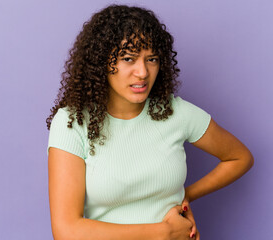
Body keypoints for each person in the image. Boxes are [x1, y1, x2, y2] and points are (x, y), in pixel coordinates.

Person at [46, 4, 254, 240]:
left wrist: (185, 197)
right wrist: (163, 232)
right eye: (128, 58)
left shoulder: (176, 112)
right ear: (101, 62)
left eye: (151, 59)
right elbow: (66, 231)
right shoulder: (72, 122)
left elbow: (240, 157)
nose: (143, 72)